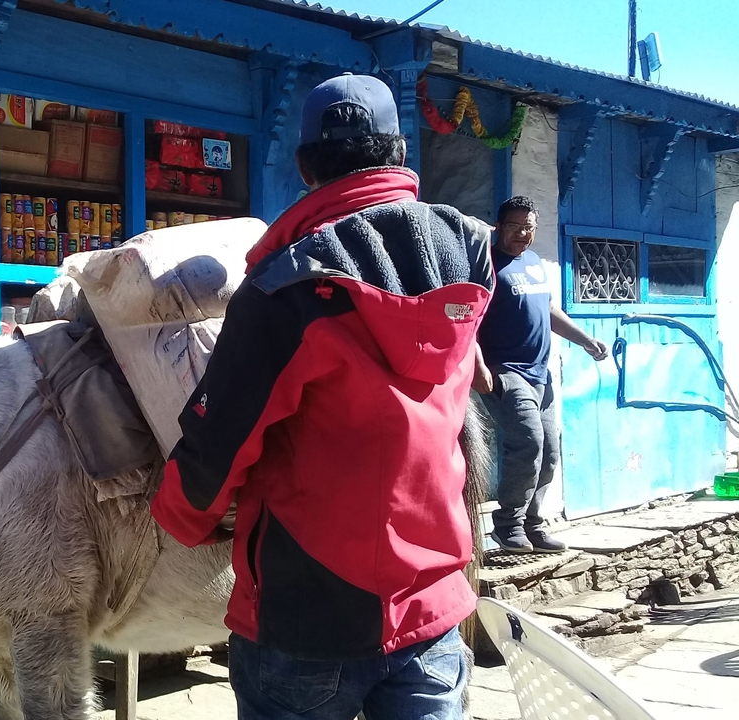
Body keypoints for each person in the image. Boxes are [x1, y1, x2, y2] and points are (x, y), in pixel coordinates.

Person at [150, 73, 495, 720]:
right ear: (398, 153)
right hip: (434, 608)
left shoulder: (285, 289)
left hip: (307, 622)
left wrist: (176, 520)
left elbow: (217, 444)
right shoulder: (468, 260)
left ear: (306, 166)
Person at [473, 196, 609, 554]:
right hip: (505, 372)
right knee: (529, 443)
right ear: (498, 227)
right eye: (515, 227)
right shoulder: (483, 264)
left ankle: (533, 525)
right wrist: (478, 366)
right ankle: (507, 525)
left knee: (549, 452)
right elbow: (466, 317)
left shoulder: (532, 262)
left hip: (540, 374)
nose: (522, 234)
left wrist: (584, 340)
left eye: (528, 227)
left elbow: (548, 309)